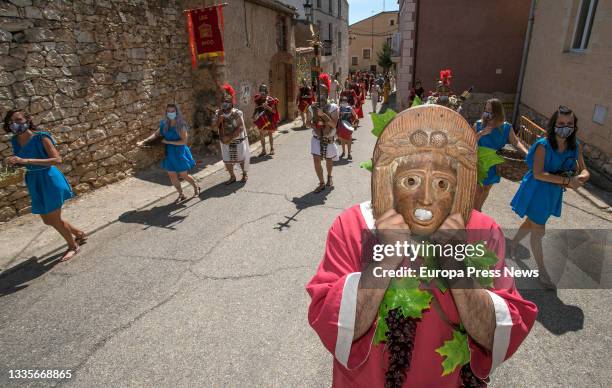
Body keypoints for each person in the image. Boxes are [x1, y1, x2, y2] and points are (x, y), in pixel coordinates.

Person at [306, 105, 537, 387]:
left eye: (442, 183)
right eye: (411, 180)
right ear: (388, 179)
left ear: (460, 186)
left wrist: (455, 265)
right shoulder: (354, 225)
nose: (426, 198)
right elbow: (335, 327)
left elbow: (499, 335)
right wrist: (387, 258)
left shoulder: (483, 232)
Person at [510, 105, 589, 287]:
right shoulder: (543, 146)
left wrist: (583, 176)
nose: (565, 127)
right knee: (539, 231)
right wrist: (567, 182)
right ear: (554, 124)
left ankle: (513, 243)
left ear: (574, 126)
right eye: (561, 123)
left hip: (553, 192)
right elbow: (538, 174)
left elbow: (583, 168)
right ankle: (542, 272)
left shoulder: (575, 146)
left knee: (532, 222)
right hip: (537, 190)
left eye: (569, 123)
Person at [5, 110, 85, 262]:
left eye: (18, 119)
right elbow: (21, 160)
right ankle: (79, 234)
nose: (15, 124)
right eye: (11, 122)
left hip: (49, 179)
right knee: (48, 220)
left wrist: (26, 161)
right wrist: (14, 163)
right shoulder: (15, 140)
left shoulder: (41, 137)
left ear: (28, 120)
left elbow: (57, 160)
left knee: (55, 219)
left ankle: (73, 246)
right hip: (33, 180)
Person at [473, 98, 528, 211]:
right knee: (478, 190)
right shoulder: (478, 125)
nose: (487, 113)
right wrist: (481, 134)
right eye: (486, 110)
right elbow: (469, 142)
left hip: (495, 162)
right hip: (479, 161)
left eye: (490, 111)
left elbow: (516, 142)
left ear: (498, 113)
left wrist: (528, 154)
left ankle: (478, 210)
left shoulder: (506, 127)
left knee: (486, 189)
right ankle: (473, 213)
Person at [138, 104, 199, 202]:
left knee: (183, 174)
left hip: (179, 151)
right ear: (166, 113)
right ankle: (181, 194)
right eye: (169, 111)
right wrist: (144, 141)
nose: (171, 113)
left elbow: (184, 141)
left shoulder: (181, 125)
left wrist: (168, 142)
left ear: (177, 112)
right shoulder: (164, 123)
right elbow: (156, 134)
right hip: (168, 152)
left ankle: (196, 187)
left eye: (173, 111)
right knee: (172, 175)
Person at [310, 73, 339, 193]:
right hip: (316, 137)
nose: (320, 95)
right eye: (318, 92)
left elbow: (334, 124)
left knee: (328, 160)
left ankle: (329, 176)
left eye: (322, 92)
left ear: (327, 93)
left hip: (329, 137)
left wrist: (324, 116)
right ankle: (321, 183)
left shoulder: (333, 107)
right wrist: (314, 124)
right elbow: (307, 123)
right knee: (316, 159)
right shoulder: (312, 107)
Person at [215, 84, 250, 184]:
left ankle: (244, 174)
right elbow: (214, 127)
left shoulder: (237, 113)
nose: (225, 103)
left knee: (241, 158)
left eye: (227, 101)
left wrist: (230, 137)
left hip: (237, 140)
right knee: (227, 160)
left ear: (231, 102)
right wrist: (219, 120)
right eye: (223, 101)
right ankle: (232, 176)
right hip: (225, 141)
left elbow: (240, 127)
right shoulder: (218, 113)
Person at [253, 84, 279, 157]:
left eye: (264, 92)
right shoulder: (257, 99)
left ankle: (271, 148)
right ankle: (263, 150)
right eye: (261, 91)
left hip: (269, 119)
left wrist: (267, 106)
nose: (262, 94)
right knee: (261, 134)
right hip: (261, 119)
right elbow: (256, 109)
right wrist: (254, 115)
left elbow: (274, 111)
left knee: (270, 134)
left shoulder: (270, 100)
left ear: (266, 91)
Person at [337, 96, 357, 160]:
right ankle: (343, 152)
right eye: (343, 100)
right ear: (341, 101)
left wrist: (356, 121)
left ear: (347, 101)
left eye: (345, 100)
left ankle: (349, 154)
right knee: (342, 139)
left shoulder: (350, 108)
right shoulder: (339, 108)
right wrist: (340, 114)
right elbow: (336, 116)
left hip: (348, 125)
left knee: (349, 140)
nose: (344, 102)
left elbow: (355, 115)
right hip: (342, 125)